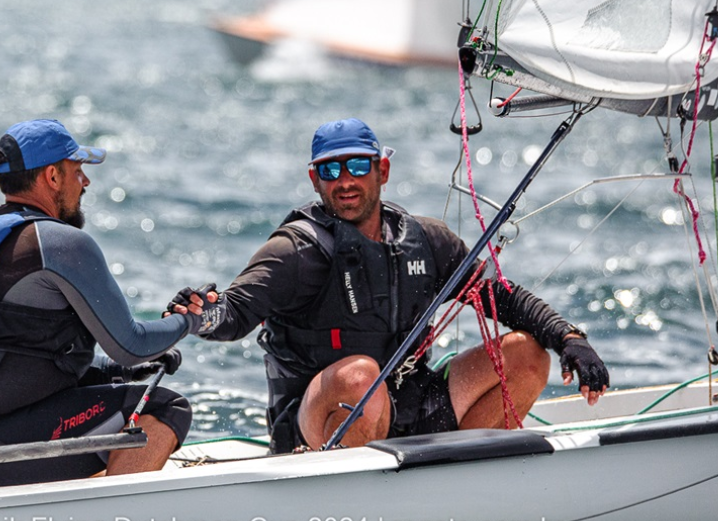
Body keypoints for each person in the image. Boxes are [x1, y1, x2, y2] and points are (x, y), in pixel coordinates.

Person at [169, 118, 609, 453]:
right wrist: (199, 313)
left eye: (357, 166)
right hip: (317, 423)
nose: (344, 181)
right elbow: (231, 313)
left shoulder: (427, 240)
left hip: (413, 404)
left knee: (527, 354)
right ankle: (354, 498)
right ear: (314, 179)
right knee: (362, 376)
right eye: (330, 171)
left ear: (382, 170)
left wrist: (568, 337)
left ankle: (458, 479)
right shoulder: (294, 251)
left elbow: (500, 297)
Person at [0, 118, 204, 486]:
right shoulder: (59, 242)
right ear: (52, 177)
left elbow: (21, 359)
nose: (86, 182)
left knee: (114, 395)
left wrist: (121, 373)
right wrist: (191, 320)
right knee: (166, 407)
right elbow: (131, 344)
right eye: (78, 170)